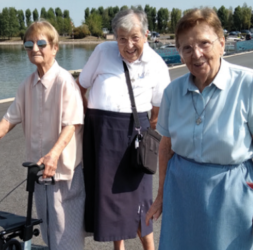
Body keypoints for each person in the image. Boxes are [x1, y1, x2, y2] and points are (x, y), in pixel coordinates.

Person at [146, 8, 253, 250]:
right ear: (179, 52)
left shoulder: (249, 83)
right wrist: (161, 195)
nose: (196, 54)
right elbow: (166, 146)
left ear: (221, 44)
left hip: (231, 194)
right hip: (181, 192)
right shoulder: (172, 92)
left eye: (204, 44)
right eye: (186, 48)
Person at [0, 21, 86, 250]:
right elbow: (9, 119)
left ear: (55, 48)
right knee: (48, 231)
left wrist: (53, 155)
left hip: (64, 172)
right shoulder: (27, 85)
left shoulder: (65, 82)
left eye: (41, 43)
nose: (35, 48)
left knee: (67, 236)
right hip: (38, 170)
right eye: (29, 43)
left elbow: (72, 124)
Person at [76, 9, 171, 250]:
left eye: (135, 37)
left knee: (139, 201)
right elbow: (81, 86)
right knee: (110, 200)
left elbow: (158, 111)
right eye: (122, 38)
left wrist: (145, 137)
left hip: (134, 138)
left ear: (146, 35)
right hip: (101, 134)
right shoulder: (101, 52)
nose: (129, 45)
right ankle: (119, 248)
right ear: (115, 37)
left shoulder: (157, 64)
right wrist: (90, 117)